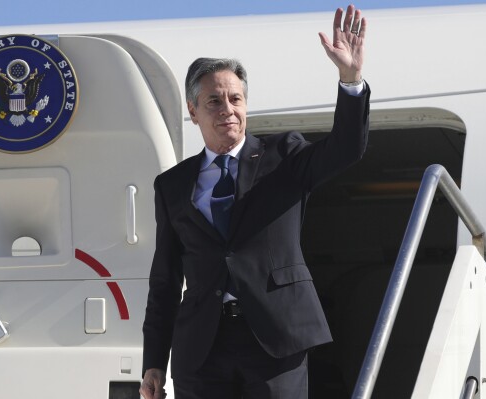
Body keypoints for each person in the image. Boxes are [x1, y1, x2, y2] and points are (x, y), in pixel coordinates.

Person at [140, 4, 370, 398]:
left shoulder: (285, 156)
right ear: (193, 111)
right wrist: (154, 362)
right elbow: (164, 281)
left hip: (275, 339)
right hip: (202, 349)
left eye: (236, 99)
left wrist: (350, 80)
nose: (228, 110)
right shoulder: (171, 185)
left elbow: (347, 148)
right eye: (214, 101)